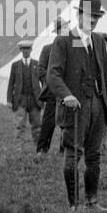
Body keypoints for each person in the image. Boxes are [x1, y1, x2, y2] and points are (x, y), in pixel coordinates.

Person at [45, 0, 107, 209]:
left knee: (94, 156)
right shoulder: (63, 40)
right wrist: (67, 95)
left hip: (97, 106)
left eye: (96, 17)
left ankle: (92, 201)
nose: (92, 21)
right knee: (73, 154)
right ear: (79, 15)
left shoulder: (98, 41)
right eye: (89, 16)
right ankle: (73, 203)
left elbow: (104, 75)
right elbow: (53, 75)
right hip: (74, 109)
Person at [35, 17, 67, 156]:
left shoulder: (71, 48)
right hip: (52, 93)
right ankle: (42, 150)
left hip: (68, 93)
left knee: (66, 123)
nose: (65, 31)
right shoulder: (47, 49)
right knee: (48, 123)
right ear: (57, 31)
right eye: (63, 28)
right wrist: (52, 83)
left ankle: (64, 150)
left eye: (66, 28)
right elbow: (41, 70)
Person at [6, 38, 42, 150]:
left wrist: (44, 98)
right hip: (20, 99)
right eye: (23, 49)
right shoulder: (15, 65)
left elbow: (43, 81)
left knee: (37, 125)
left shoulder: (37, 64)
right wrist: (8, 100)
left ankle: (38, 148)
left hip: (35, 99)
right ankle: (19, 148)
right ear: (20, 50)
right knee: (19, 125)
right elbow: (11, 83)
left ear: (31, 49)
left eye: (27, 49)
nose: (26, 51)